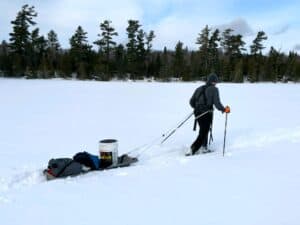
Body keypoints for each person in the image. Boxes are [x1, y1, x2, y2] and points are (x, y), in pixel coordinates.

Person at [186, 73, 230, 155]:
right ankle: (193, 149)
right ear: (213, 82)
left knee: (204, 130)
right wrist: (224, 109)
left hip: (197, 113)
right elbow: (217, 103)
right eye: (215, 82)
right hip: (206, 113)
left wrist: (197, 107)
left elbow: (191, 102)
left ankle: (204, 147)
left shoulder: (199, 88)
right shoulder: (214, 89)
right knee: (204, 132)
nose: (216, 83)